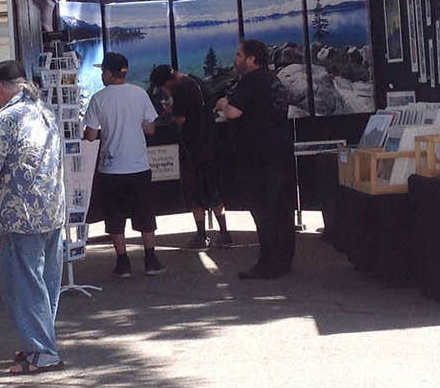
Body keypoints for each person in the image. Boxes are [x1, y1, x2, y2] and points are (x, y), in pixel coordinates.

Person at [0, 60, 66, 375]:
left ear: (0, 88)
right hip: (50, 210)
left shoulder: (2, 120)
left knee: (23, 286)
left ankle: (42, 352)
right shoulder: (44, 113)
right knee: (44, 285)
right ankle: (38, 344)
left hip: (19, 215)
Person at [215, 39, 295, 279]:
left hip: (259, 158)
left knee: (264, 210)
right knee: (281, 209)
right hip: (279, 153)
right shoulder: (272, 79)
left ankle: (268, 263)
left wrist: (222, 102)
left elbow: (232, 111)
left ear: (251, 59)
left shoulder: (251, 80)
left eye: (239, 55)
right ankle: (283, 260)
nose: (235, 59)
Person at [83, 52, 163, 278]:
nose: (101, 75)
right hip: (139, 165)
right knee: (145, 213)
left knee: (115, 216)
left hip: (111, 167)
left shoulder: (99, 98)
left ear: (108, 73)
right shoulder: (139, 94)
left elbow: (90, 135)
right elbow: (150, 128)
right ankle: (151, 259)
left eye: (102, 72)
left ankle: (123, 263)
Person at [150, 65, 230, 250]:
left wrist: (169, 110)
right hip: (209, 141)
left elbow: (180, 119)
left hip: (192, 146)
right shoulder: (197, 80)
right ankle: (224, 232)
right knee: (212, 188)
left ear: (167, 83)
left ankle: (201, 235)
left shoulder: (179, 88)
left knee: (193, 191)